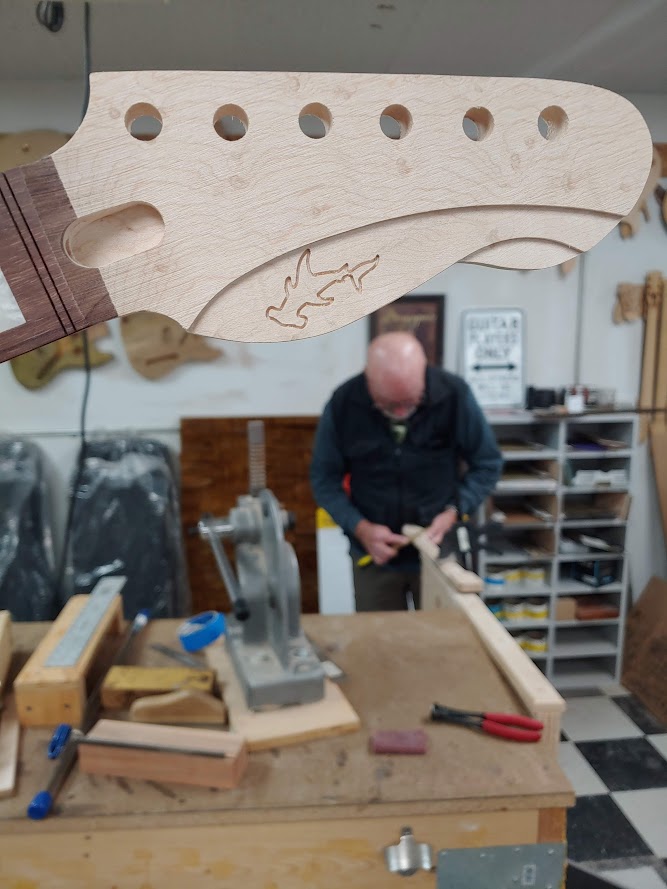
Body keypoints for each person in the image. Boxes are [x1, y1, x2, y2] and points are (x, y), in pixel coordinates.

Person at [310, 331, 502, 611]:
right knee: (382, 646)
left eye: (411, 402)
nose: (401, 413)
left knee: (445, 643)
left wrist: (453, 511)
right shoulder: (343, 403)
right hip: (375, 558)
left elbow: (487, 463)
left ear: (423, 375)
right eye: (389, 405)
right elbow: (323, 479)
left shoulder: (454, 395)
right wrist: (360, 528)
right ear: (368, 380)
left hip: (441, 554)